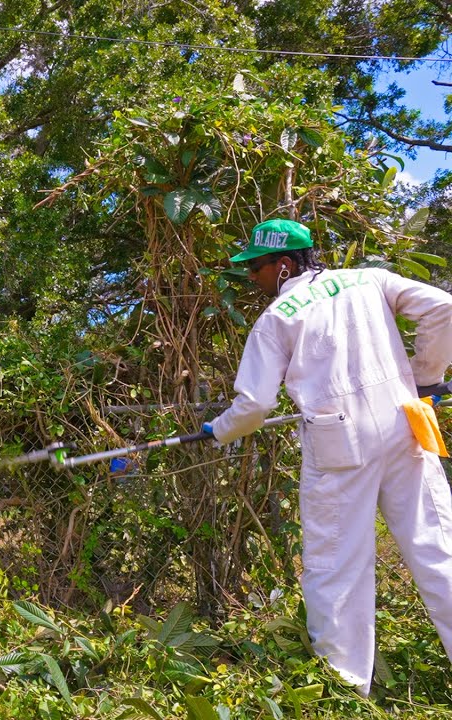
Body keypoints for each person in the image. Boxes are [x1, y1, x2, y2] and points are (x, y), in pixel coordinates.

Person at [203, 218, 452, 695]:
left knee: (337, 566)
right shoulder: (370, 278)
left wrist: (218, 431)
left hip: (339, 443)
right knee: (439, 548)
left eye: (254, 268)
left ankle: (343, 687)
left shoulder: (277, 317)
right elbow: (443, 309)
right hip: (406, 423)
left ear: (283, 265)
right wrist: (424, 378)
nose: (250, 278)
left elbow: (254, 406)